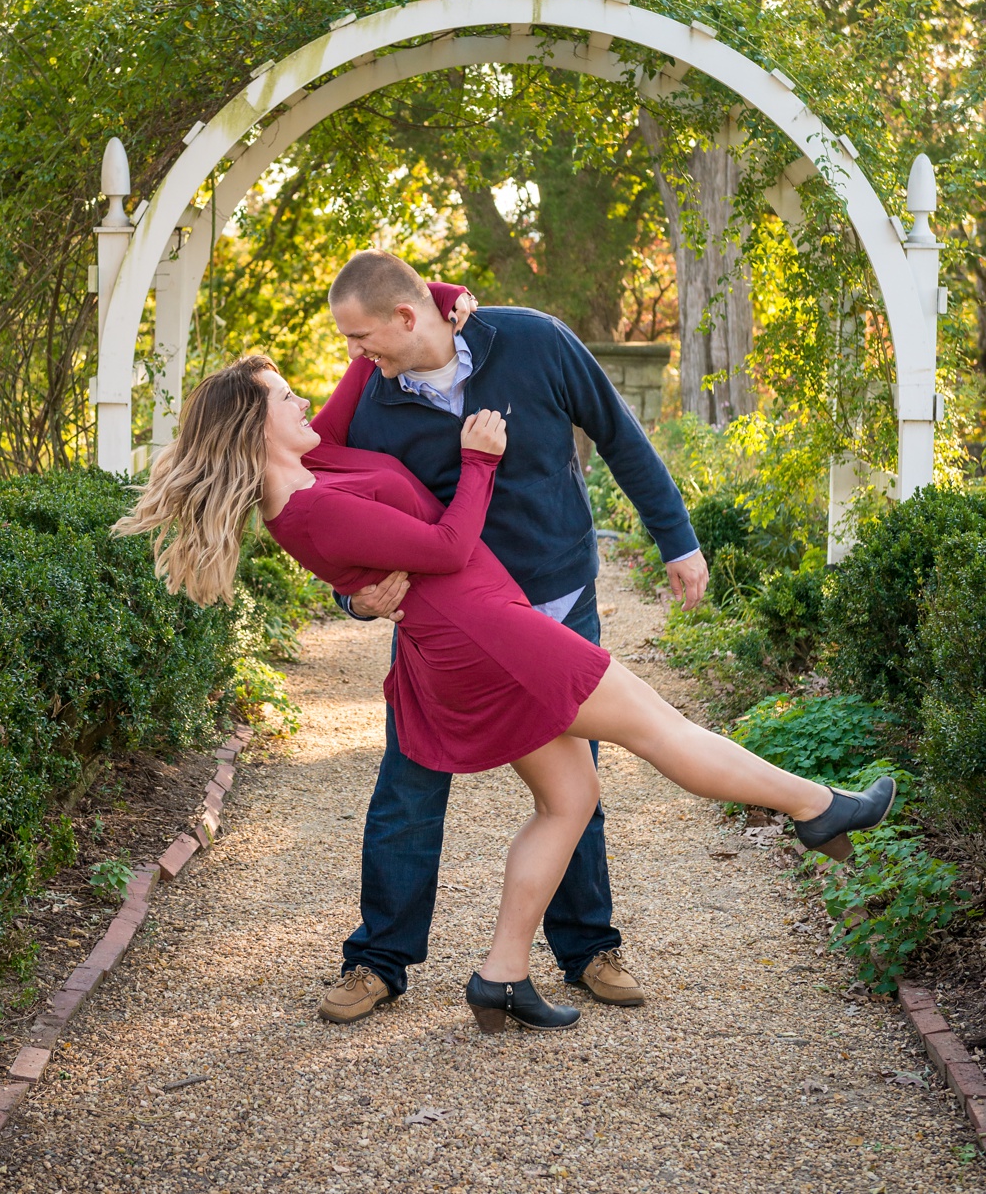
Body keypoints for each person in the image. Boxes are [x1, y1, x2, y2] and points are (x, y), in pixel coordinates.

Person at [115, 347, 895, 1032]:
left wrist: (439, 301)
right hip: (487, 636)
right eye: (284, 396)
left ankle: (502, 975)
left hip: (483, 630)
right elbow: (448, 547)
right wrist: (479, 457)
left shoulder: (319, 461)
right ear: (256, 427)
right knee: (661, 728)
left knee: (571, 797)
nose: (301, 401)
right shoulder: (307, 509)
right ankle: (816, 805)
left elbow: (367, 355)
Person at [320, 254, 708, 1022]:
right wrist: (355, 598)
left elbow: (619, 434)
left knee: (574, 787)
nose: (356, 357)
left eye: (363, 338)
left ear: (408, 315)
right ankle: (378, 961)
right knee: (409, 787)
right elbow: (340, 512)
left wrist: (677, 538)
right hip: (450, 629)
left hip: (559, 601)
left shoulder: (534, 341)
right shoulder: (370, 405)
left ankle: (588, 947)